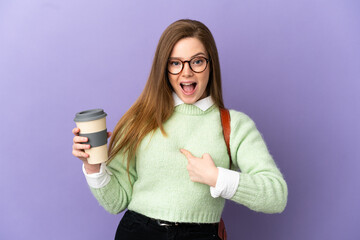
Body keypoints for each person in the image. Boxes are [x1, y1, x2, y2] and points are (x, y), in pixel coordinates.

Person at [72, 19, 288, 240]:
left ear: (211, 64)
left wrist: (217, 178)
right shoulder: (141, 119)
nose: (186, 72)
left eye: (197, 61)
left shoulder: (235, 125)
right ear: (164, 69)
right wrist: (93, 167)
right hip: (138, 232)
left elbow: (276, 196)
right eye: (175, 63)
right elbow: (115, 202)